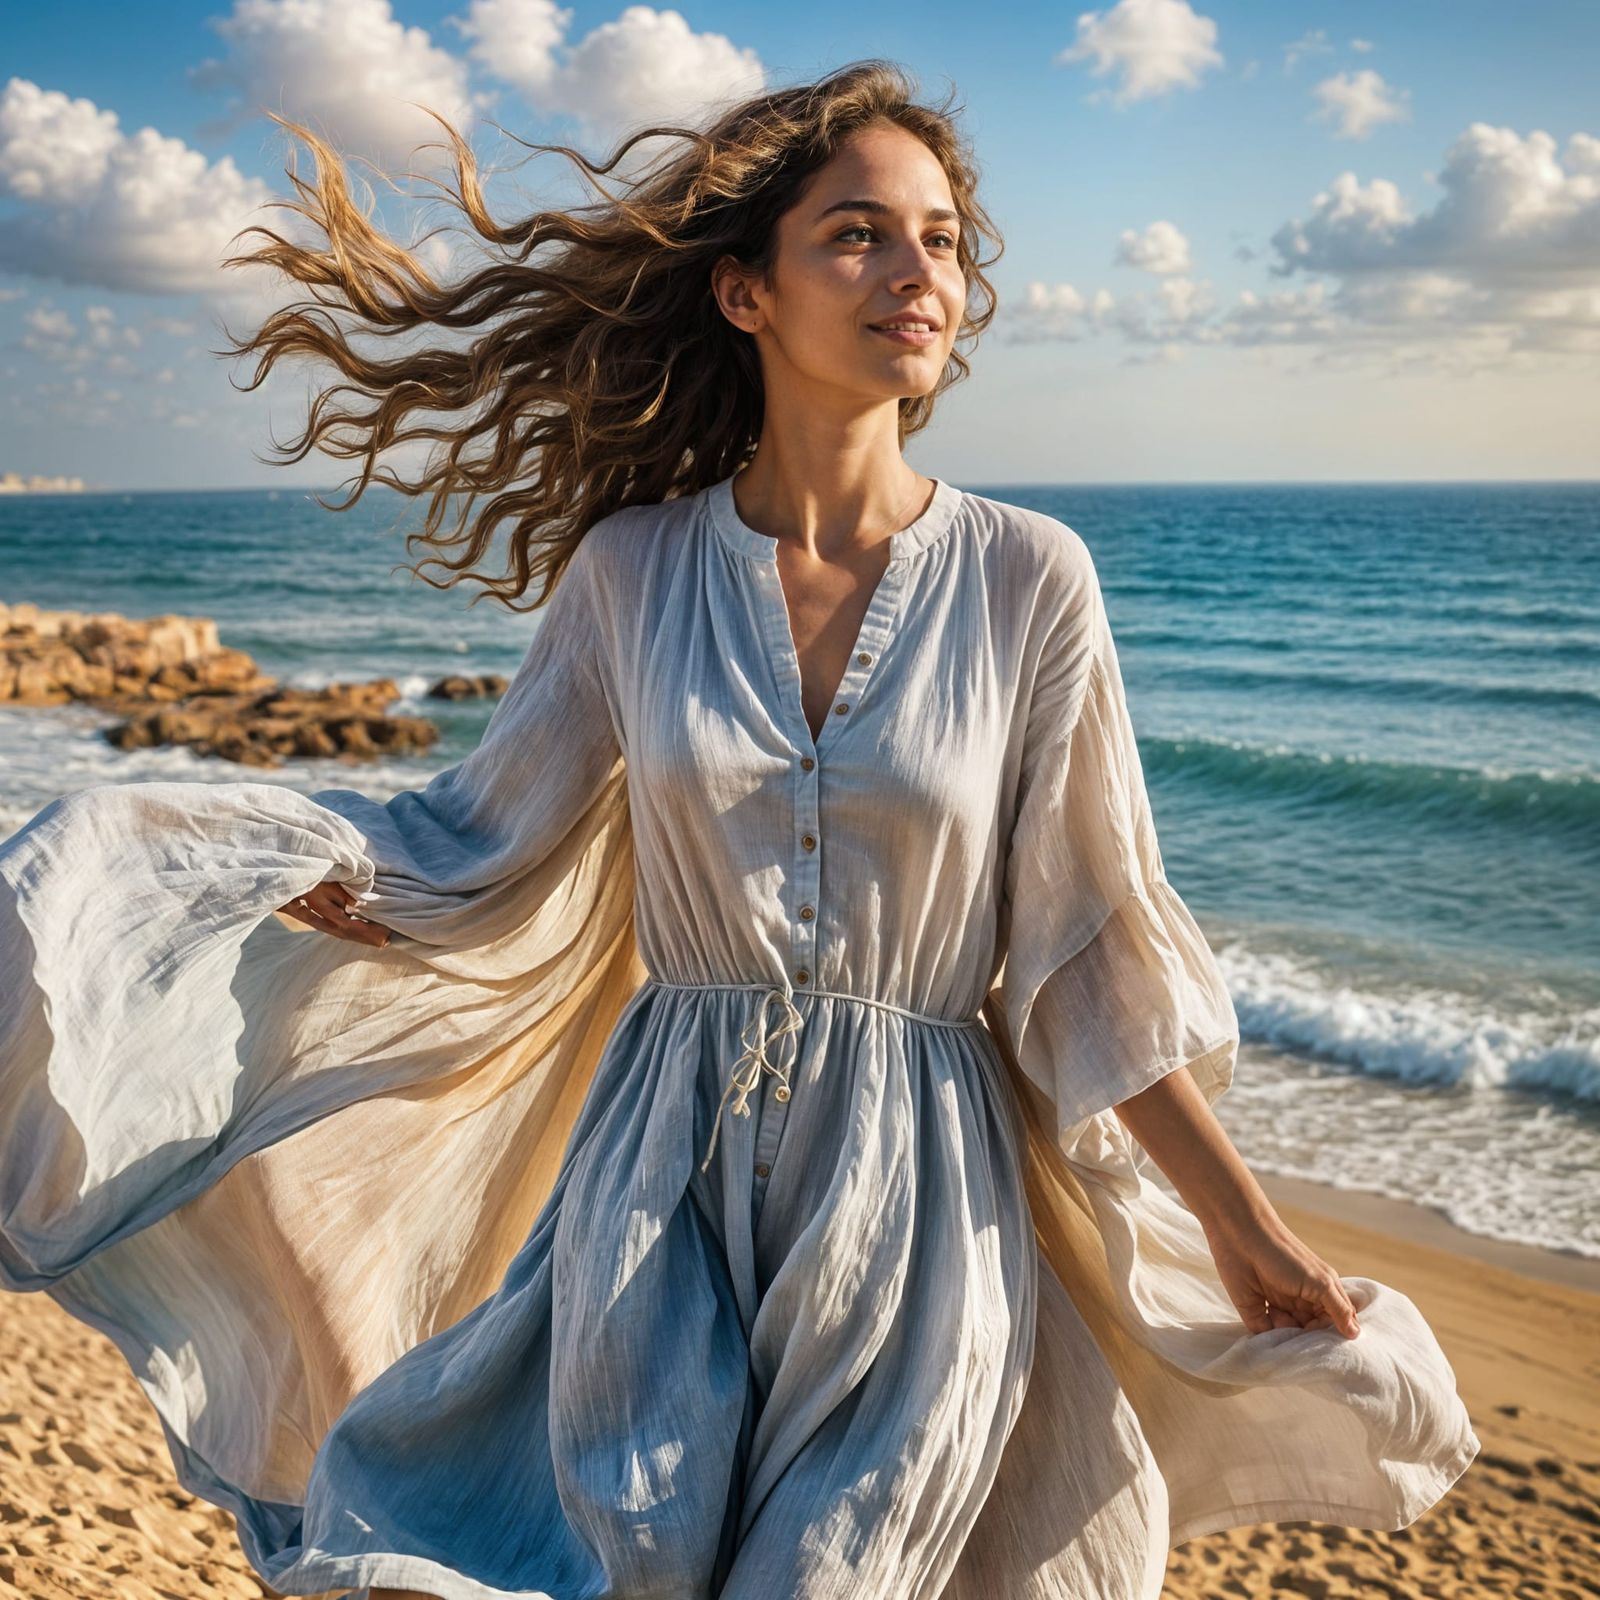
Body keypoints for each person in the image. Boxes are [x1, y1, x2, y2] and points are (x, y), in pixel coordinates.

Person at [0, 59, 1478, 1600]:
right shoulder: (633, 574)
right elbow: (468, 839)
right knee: (621, 1565)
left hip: (921, 1201)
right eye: (857, 234)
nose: (919, 274)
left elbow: (1091, 948)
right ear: (744, 294)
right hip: (658, 1181)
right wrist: (247, 867)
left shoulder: (1031, 580)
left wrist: (1242, 1231)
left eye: (945, 238)